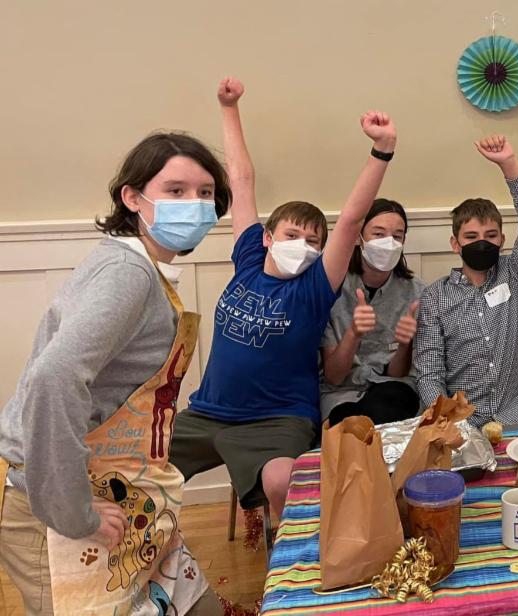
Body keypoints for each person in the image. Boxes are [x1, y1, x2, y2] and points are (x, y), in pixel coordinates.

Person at [0, 127, 229, 613]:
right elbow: (53, 378)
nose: (193, 204)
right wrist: (75, 513)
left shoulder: (145, 270)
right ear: (132, 197)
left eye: (205, 193)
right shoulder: (128, 273)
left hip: (121, 487)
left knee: (194, 604)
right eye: (175, 190)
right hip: (52, 504)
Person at [169, 78, 396, 518]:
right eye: (293, 236)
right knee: (141, 469)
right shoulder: (249, 260)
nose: (303, 247)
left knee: (281, 480)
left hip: (278, 420)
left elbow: (351, 221)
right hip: (209, 413)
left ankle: (287, 555)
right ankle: (158, 550)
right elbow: (241, 181)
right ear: (269, 237)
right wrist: (228, 108)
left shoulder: (312, 290)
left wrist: (381, 150)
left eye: (314, 241)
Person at [413, 135, 518, 427]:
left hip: (517, 415)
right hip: (462, 421)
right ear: (455, 244)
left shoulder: (514, 273)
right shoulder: (435, 296)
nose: (481, 243)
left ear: (501, 240)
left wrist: (509, 166)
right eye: (471, 237)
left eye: (490, 236)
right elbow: (429, 371)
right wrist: (447, 421)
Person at [320, 198, 424, 425]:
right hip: (342, 392)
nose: (389, 243)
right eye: (378, 234)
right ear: (360, 237)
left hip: (392, 390)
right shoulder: (332, 289)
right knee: (347, 424)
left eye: (397, 236)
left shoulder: (416, 293)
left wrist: (405, 344)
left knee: (387, 406)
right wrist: (353, 333)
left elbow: (397, 374)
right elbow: (334, 377)